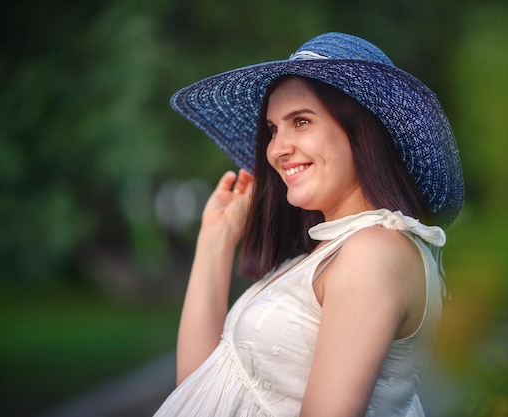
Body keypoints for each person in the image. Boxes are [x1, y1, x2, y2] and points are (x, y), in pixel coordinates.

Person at [153, 32, 464, 417]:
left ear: (361, 130)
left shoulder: (374, 251)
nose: (276, 149)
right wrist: (216, 239)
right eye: (272, 129)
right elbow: (199, 391)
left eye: (300, 121)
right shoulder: (326, 254)